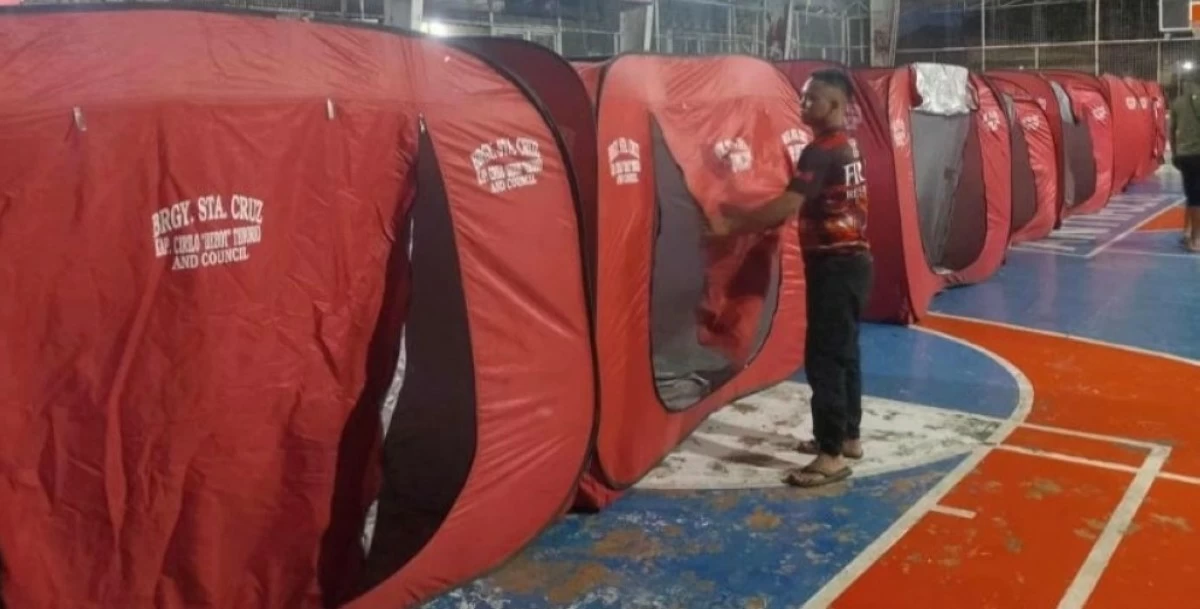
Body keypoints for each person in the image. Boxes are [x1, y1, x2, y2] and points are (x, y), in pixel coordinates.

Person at [709, 69, 873, 488]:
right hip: (854, 264)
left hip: (835, 266)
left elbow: (787, 205)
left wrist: (733, 224)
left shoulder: (819, 152)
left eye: (812, 98)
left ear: (835, 105)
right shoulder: (848, 145)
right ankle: (847, 437)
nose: (804, 104)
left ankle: (830, 456)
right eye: (803, 97)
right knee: (845, 352)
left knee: (825, 357)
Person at [1170, 70, 1200, 252]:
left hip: (1185, 156)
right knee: (1197, 198)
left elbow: (1172, 131)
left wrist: (1174, 154)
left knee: (1192, 195)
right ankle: (1196, 239)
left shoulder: (1177, 102)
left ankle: (1187, 231)